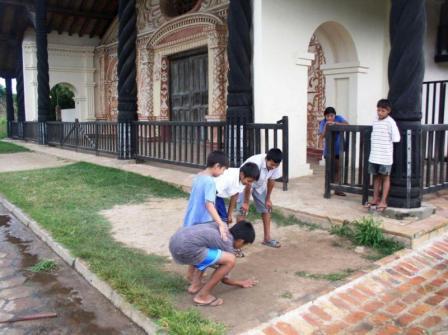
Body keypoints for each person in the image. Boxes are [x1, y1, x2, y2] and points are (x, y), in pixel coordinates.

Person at [169, 220, 257, 306]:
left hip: (175, 242)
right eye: (244, 245)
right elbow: (225, 279)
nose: (242, 247)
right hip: (183, 250)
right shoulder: (227, 243)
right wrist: (240, 283)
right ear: (241, 241)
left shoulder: (222, 226)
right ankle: (202, 296)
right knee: (230, 260)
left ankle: (195, 285)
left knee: (206, 251)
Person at [183, 150, 229, 281]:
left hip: (191, 219)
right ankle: (196, 281)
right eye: (223, 170)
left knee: (195, 249)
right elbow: (209, 205)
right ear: (217, 166)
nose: (222, 173)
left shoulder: (199, 176)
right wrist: (220, 222)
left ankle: (190, 276)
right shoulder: (210, 182)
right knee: (203, 251)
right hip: (202, 222)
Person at [237, 148, 283, 248]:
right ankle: (237, 244)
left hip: (259, 185)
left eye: (276, 166)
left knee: (267, 209)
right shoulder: (256, 163)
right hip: (244, 184)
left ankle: (267, 239)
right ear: (266, 159)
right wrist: (246, 202)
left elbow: (271, 181)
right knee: (242, 211)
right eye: (271, 165)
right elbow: (248, 184)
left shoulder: (276, 165)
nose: (273, 167)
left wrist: (268, 199)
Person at [365, 99, 401, 212]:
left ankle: (383, 201)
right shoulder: (375, 120)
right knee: (376, 177)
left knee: (385, 177)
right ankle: (375, 198)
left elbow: (396, 138)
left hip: (385, 157)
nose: (380, 113)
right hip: (374, 155)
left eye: (382, 111)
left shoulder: (391, 122)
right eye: (378, 110)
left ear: (388, 111)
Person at [318, 106, 349, 196]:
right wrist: (326, 126)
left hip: (338, 149)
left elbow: (347, 124)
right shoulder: (323, 122)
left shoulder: (339, 118)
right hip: (328, 150)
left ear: (335, 115)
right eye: (327, 116)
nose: (330, 118)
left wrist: (335, 123)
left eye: (332, 116)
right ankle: (327, 188)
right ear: (325, 116)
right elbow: (322, 136)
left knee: (338, 169)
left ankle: (337, 189)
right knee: (329, 170)